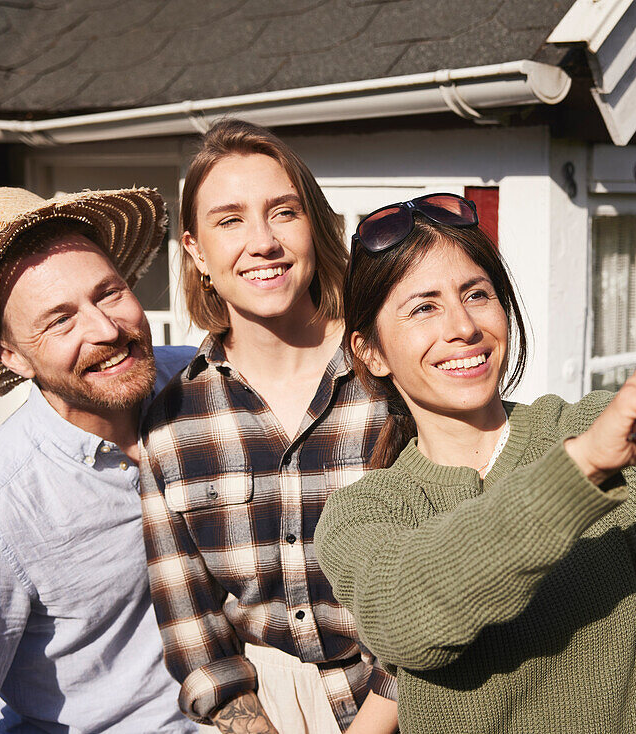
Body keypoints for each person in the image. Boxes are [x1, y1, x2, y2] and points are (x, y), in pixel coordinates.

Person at [315, 187, 636, 733]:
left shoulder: (589, 427)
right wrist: (584, 467)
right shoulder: (365, 513)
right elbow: (407, 612)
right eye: (424, 307)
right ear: (370, 352)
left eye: (476, 294)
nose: (463, 327)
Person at [0, 186, 198, 733]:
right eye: (59, 320)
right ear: (12, 355)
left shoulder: (205, 385)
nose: (105, 330)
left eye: (108, 293)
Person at [139, 119, 398, 734]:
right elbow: (192, 626)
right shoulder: (174, 423)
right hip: (268, 706)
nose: (263, 242)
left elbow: (447, 571)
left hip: (411, 695)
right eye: (230, 220)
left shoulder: (389, 379)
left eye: (283, 212)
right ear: (197, 251)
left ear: (316, 228)